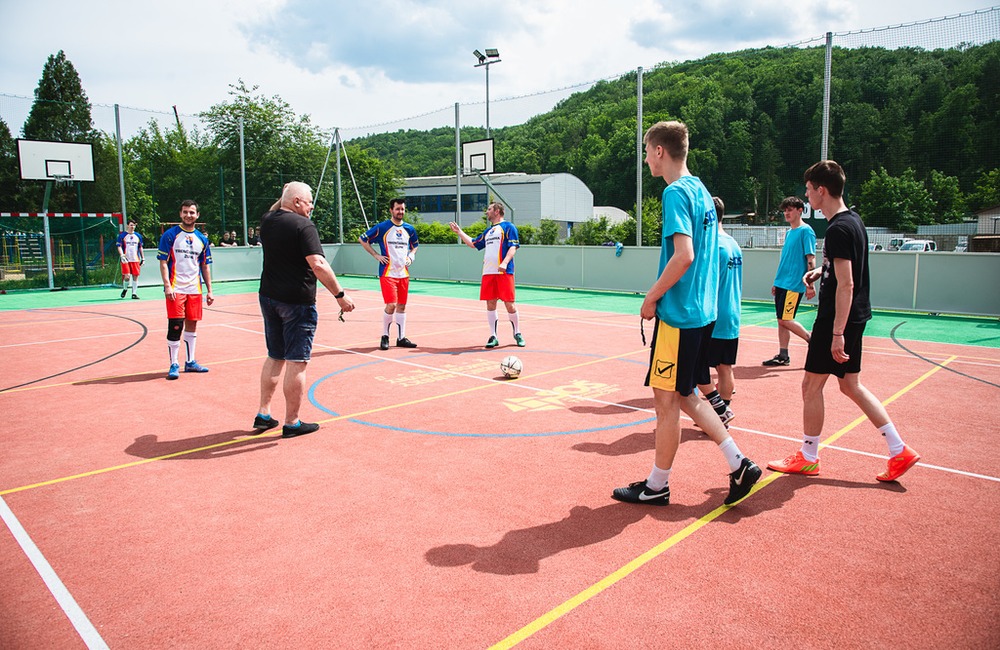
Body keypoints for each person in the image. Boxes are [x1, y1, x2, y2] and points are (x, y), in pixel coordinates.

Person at [612, 121, 760, 507]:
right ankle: (738, 462)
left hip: (678, 316)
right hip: (702, 314)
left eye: (647, 152)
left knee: (666, 403)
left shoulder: (676, 193)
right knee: (688, 394)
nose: (646, 160)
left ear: (660, 151)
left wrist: (651, 297)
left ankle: (657, 486)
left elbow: (685, 255)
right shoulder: (703, 192)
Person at [768, 160, 920, 481]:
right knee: (851, 385)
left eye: (809, 190)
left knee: (811, 385)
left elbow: (847, 283)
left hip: (837, 320)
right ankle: (898, 449)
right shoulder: (854, 222)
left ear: (821, 191)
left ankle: (808, 456)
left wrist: (836, 333)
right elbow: (842, 273)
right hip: (856, 316)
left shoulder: (837, 228)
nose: (807, 196)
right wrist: (819, 271)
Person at [253, 181, 355, 438]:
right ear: (297, 202)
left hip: (268, 298)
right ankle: (292, 422)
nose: (311, 207)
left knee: (275, 356)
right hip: (296, 303)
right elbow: (318, 264)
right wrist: (340, 295)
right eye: (309, 202)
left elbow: (278, 206)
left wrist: (285, 193)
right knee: (297, 361)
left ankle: (264, 413)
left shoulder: (268, 220)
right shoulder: (303, 226)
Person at [448, 202, 525, 349]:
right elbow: (473, 243)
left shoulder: (509, 227)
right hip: (488, 273)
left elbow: (513, 247)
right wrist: (459, 232)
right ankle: (493, 336)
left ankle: (517, 333)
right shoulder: (488, 232)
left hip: (504, 272)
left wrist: (505, 262)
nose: (486, 212)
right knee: (490, 304)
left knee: (509, 304)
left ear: (497, 211)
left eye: (489, 209)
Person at [696, 196, 742, 428]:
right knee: (725, 367)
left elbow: (707, 283)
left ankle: (721, 412)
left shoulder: (715, 247)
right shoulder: (732, 243)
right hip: (732, 311)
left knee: (699, 367)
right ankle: (722, 411)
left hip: (716, 315)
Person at [157, 200, 214, 380]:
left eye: (192, 212)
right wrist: (167, 285)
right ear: (180, 214)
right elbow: (163, 263)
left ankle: (190, 362)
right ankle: (174, 363)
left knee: (192, 323)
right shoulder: (169, 236)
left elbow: (205, 266)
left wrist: (210, 290)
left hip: (194, 289)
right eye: (185, 212)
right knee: (175, 325)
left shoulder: (202, 239)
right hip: (176, 288)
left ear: (197, 215)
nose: (188, 215)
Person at [762, 196, 816, 366]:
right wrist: (776, 282)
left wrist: (810, 284)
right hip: (782, 283)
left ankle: (814, 342)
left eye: (790, 210)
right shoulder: (789, 233)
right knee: (781, 320)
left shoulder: (806, 231)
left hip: (794, 284)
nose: (787, 213)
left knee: (785, 319)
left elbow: (811, 259)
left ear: (800, 210)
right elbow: (786, 260)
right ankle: (783, 355)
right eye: (785, 210)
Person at [359, 198, 419, 350]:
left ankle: (401, 338)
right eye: (398, 209)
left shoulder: (409, 229)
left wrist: (411, 256)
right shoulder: (383, 227)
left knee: (402, 305)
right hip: (387, 273)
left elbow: (415, 246)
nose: (400, 212)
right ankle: (385, 335)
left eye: (403, 209)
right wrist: (376, 255)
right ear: (391, 210)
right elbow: (363, 239)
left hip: (403, 273)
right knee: (391, 304)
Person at [116, 219, 144, 299]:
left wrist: (143, 258)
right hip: (126, 259)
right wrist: (122, 255)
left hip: (135, 259)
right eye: (131, 225)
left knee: (135, 276)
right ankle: (125, 289)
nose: (132, 227)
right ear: (128, 225)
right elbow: (119, 246)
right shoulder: (122, 236)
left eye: (134, 225)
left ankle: (134, 293)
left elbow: (140, 247)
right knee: (127, 276)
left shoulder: (138, 236)